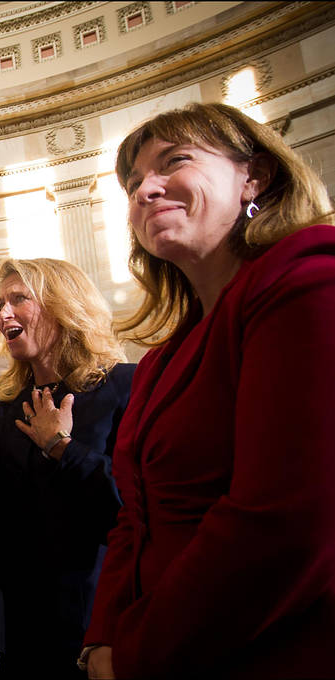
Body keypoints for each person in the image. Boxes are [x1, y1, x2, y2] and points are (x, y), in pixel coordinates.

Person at [82, 103, 335, 679]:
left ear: (255, 176)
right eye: (133, 182)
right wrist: (100, 641)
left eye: (175, 162)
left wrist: (137, 653)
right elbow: (133, 519)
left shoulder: (307, 279)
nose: (146, 189)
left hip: (272, 650)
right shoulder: (160, 360)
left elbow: (289, 520)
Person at [0, 258, 133, 679]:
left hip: (105, 623)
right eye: (0, 303)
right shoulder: (2, 404)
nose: (4, 314)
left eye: (18, 299)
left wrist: (61, 447)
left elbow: (135, 511)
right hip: (22, 630)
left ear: (63, 305)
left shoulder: (123, 385)